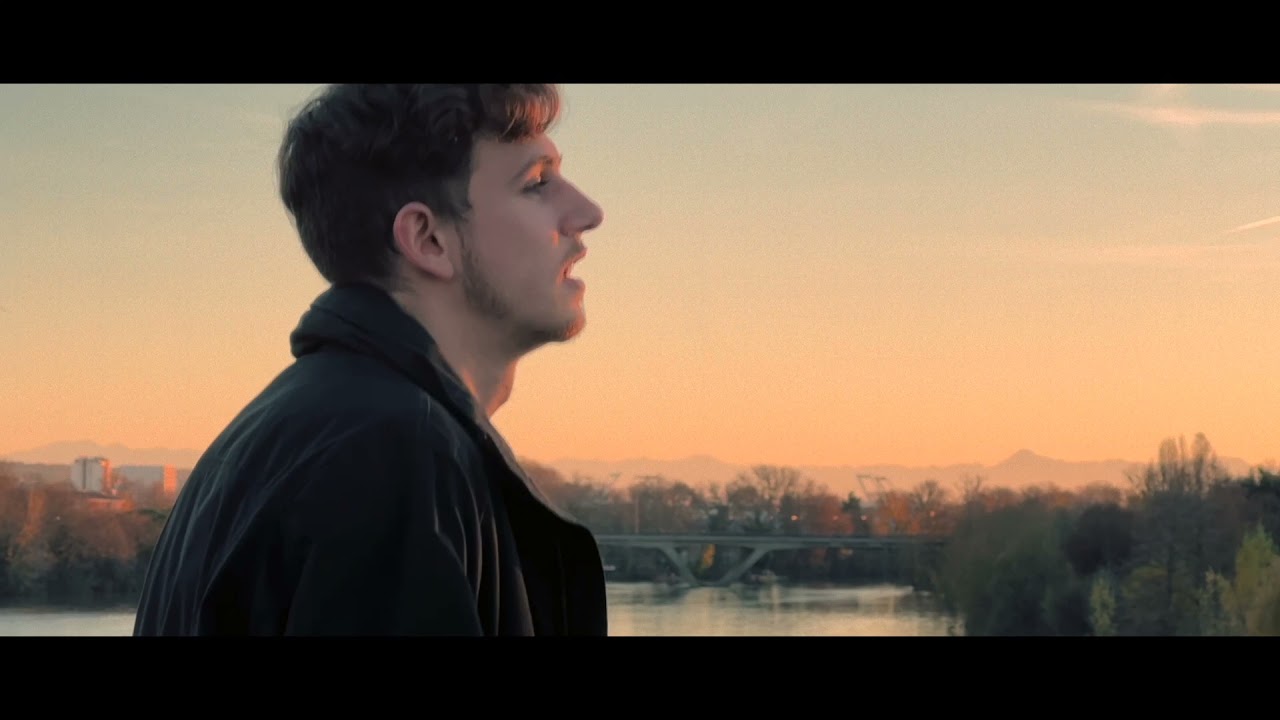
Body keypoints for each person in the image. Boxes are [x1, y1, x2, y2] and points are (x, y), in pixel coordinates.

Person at [132, 84, 608, 636]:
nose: (588, 213)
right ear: (427, 239)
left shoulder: (301, 429)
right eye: (537, 183)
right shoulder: (395, 456)